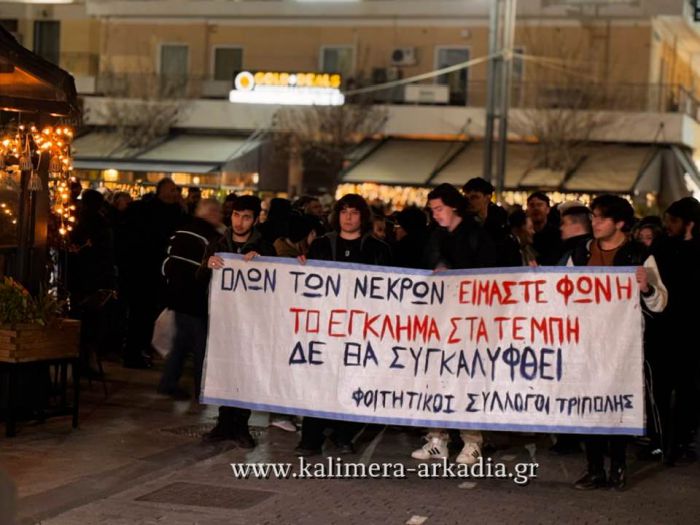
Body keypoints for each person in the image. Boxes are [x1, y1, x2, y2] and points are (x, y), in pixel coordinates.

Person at [569, 195, 667, 491]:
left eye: (601, 218)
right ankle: (595, 468)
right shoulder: (581, 252)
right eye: (593, 217)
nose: (594, 223)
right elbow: (562, 293)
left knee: (616, 403)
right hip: (586, 343)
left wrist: (646, 287)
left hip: (622, 345)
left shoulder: (638, 256)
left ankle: (618, 466)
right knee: (588, 404)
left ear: (620, 223)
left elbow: (660, 302)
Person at [294, 194, 391, 457]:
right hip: (325, 326)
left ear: (363, 217)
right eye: (344, 212)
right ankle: (310, 438)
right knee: (318, 380)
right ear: (337, 215)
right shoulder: (322, 245)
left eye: (354, 212)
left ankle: (343, 435)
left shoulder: (377, 248)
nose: (348, 218)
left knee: (351, 381)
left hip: (360, 329)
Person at [413, 183, 498, 465]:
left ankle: (472, 441)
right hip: (438, 320)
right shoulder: (435, 235)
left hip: (470, 322)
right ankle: (437, 439)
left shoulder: (478, 236)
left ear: (454, 207)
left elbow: (491, 277)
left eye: (439, 209)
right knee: (435, 378)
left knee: (466, 379)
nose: (435, 214)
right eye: (432, 210)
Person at [200, 195, 276, 446]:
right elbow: (200, 280)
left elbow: (277, 283)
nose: (240, 222)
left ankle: (241, 424)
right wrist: (207, 265)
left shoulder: (264, 248)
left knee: (245, 373)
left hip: (252, 324)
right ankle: (224, 424)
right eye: (236, 215)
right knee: (223, 370)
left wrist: (263, 263)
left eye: (245, 217)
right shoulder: (217, 244)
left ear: (255, 219)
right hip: (222, 322)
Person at [158, 198, 224, 400]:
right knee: (200, 348)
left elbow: (166, 264)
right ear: (211, 213)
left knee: (181, 343)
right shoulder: (212, 238)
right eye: (218, 213)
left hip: (177, 297)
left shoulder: (181, 231)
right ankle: (201, 390)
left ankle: (168, 383)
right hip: (197, 300)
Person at [654, 197, 700, 464]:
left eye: (673, 221)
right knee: (660, 388)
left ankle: (683, 440)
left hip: (692, 334)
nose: (668, 225)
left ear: (689, 223)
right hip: (665, 330)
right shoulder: (664, 247)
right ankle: (661, 441)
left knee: (688, 390)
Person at [121, 178, 186, 368]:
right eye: (173, 190)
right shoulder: (153, 213)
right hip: (145, 272)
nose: (177, 193)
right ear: (163, 192)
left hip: (149, 272)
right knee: (140, 315)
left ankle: (139, 350)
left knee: (143, 315)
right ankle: (135, 352)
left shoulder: (163, 211)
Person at [527, 192, 563, 265]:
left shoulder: (557, 235)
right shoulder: (524, 235)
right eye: (532, 205)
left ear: (547, 210)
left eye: (539, 205)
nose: (535, 208)